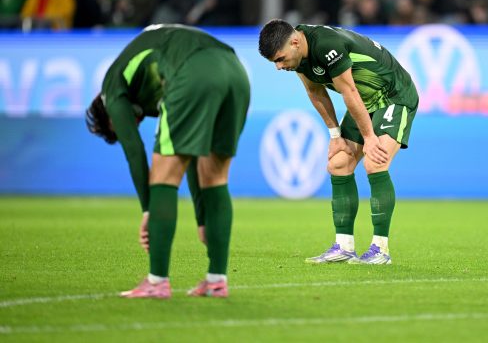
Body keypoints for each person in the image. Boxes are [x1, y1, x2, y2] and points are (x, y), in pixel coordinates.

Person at [86, 24, 250, 297]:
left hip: (194, 70)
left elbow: (134, 152)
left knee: (163, 174)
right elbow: (190, 156)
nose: (133, 123)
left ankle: (156, 281)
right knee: (215, 176)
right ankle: (216, 280)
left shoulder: (111, 87)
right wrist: (201, 219)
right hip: (235, 70)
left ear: (110, 116)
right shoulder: (156, 83)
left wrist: (148, 211)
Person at [258, 19, 419, 265]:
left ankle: (380, 249)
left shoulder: (326, 45)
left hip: (393, 95)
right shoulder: (299, 58)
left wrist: (369, 138)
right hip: (364, 101)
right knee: (339, 164)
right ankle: (344, 246)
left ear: (294, 42)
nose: (279, 67)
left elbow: (349, 93)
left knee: (375, 163)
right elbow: (315, 92)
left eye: (280, 59)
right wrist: (335, 136)